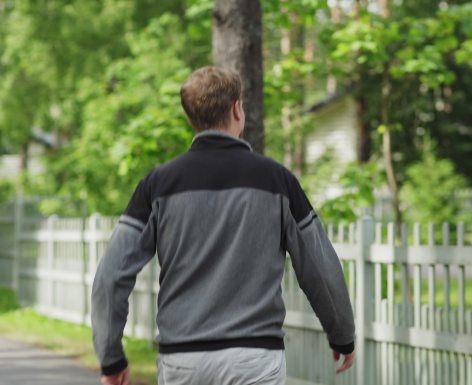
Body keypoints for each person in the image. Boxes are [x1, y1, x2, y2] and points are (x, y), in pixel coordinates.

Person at [91, 66, 355, 385]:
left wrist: (111, 356)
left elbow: (111, 275)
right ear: (237, 109)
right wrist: (341, 334)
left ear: (191, 119)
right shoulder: (277, 181)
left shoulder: (157, 186)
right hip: (254, 358)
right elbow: (319, 267)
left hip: (183, 360)